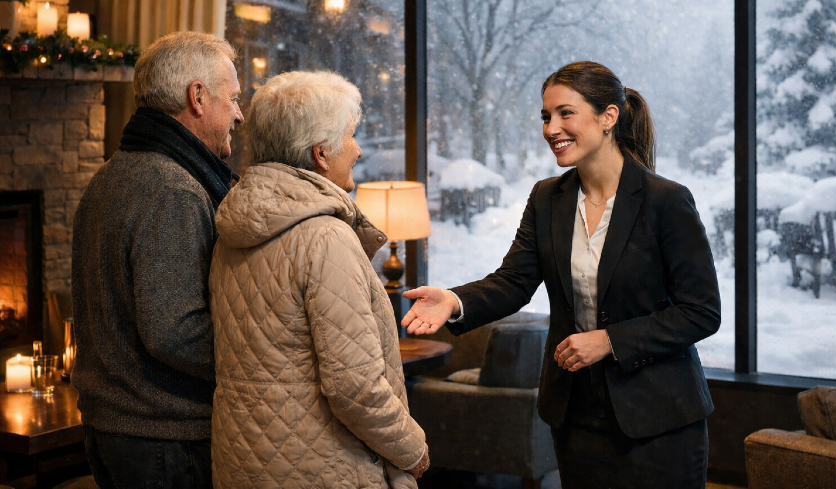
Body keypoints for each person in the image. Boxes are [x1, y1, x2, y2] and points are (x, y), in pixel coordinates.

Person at [402, 61, 721, 489]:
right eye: (545, 117)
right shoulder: (547, 198)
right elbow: (514, 281)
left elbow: (701, 311)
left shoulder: (666, 200)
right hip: (576, 415)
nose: (552, 128)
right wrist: (455, 301)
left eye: (565, 113)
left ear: (609, 116)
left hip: (660, 418)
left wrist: (609, 341)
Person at [208, 71, 429, 488]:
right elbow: (355, 387)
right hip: (324, 467)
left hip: (247, 461)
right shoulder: (325, 236)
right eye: (350, 136)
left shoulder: (233, 230)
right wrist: (412, 448)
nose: (359, 148)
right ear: (320, 154)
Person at [71, 31, 244, 489]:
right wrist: (261, 359)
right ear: (198, 97)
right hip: (164, 439)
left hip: (122, 429)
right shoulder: (173, 189)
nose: (239, 115)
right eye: (234, 99)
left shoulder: (111, 173)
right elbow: (175, 331)